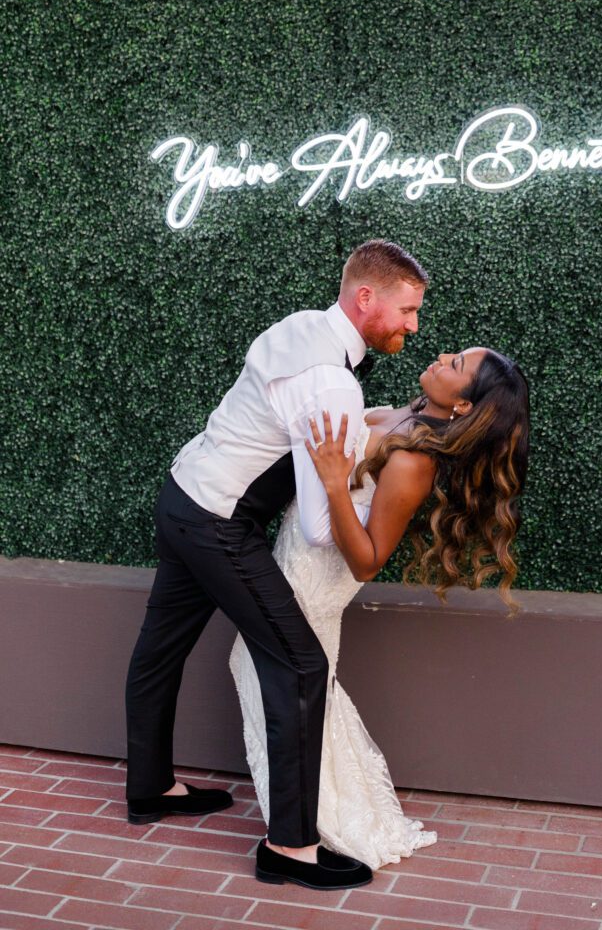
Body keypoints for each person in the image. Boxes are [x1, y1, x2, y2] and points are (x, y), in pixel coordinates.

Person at [124, 238, 428, 891]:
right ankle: (289, 848)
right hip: (217, 523)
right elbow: (320, 530)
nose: (412, 325)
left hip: (182, 494)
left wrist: (366, 430)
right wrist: (346, 472)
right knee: (301, 664)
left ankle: (150, 789)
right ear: (365, 297)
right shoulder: (330, 383)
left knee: (158, 651)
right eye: (406, 310)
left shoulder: (298, 329)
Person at [229, 346, 530, 869]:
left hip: (316, 582)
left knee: (280, 680)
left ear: (462, 406)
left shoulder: (415, 461)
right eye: (454, 354)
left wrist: (331, 481)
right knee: (278, 679)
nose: (442, 356)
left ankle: (313, 824)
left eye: (455, 365)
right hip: (292, 559)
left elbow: (368, 561)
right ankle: (310, 814)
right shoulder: (409, 415)